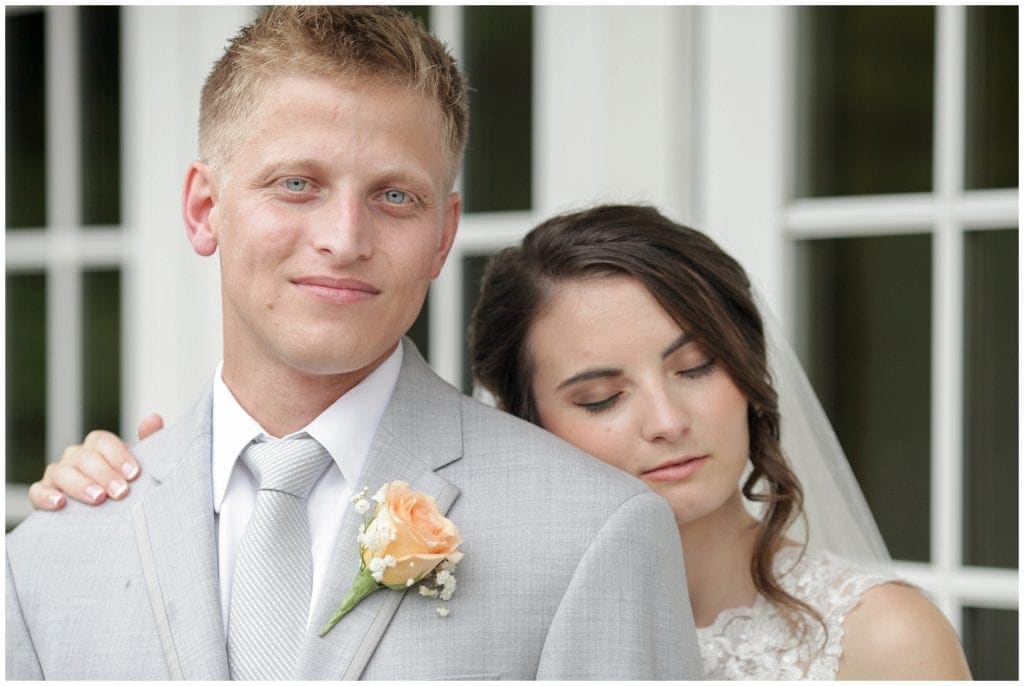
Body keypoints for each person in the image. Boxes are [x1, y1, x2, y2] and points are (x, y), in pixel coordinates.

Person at [5, 8, 701, 681]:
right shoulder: (44, 561)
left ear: (443, 234)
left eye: (394, 197)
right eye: (297, 184)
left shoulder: (592, 531)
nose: (344, 240)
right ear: (204, 208)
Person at [37, 204, 974, 680]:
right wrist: (136, 492)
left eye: (694, 369)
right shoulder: (474, 567)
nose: (665, 419)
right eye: (600, 395)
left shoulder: (882, 638)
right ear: (524, 424)